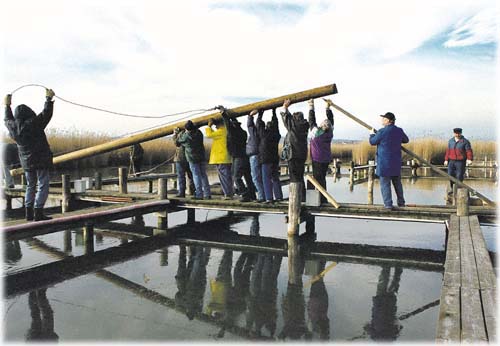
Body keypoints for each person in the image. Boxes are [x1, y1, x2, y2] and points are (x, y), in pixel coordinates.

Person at [4, 89, 55, 221]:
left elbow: (7, 119)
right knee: (43, 183)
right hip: (41, 159)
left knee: (30, 185)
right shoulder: (34, 124)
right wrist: (48, 99)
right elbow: (46, 114)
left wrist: (7, 106)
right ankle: (38, 212)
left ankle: (28, 213)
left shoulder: (13, 127)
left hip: (26, 162)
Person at [369, 112, 409, 210]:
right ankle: (401, 203)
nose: (382, 120)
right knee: (397, 184)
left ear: (388, 120)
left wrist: (371, 134)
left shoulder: (382, 132)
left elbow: (372, 142)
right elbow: (406, 140)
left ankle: (388, 205)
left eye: (383, 119)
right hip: (395, 162)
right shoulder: (399, 130)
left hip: (384, 163)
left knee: (385, 184)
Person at [217, 106, 256, 202]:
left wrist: (223, 113)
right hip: (245, 156)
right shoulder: (243, 132)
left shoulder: (233, 132)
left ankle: (244, 194)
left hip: (238, 157)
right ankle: (252, 194)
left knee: (236, 177)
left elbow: (227, 123)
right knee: (248, 176)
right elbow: (230, 123)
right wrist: (230, 116)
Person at [281, 99, 309, 201]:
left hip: (293, 155)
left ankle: (296, 197)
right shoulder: (305, 125)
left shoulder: (294, 126)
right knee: (300, 176)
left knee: (294, 177)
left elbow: (286, 119)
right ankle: (302, 196)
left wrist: (285, 107)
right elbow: (289, 120)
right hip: (301, 155)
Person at [176, 120, 211, 200]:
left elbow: (177, 142)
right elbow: (196, 129)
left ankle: (199, 195)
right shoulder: (199, 133)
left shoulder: (186, 137)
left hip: (192, 159)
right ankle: (207, 194)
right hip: (201, 157)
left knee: (196, 176)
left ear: (186, 129)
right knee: (203, 175)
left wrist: (177, 133)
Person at [308, 99, 334, 203]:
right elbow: (331, 120)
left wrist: (311, 106)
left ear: (322, 126)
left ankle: (320, 199)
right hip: (326, 159)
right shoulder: (330, 133)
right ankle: (323, 198)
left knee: (317, 179)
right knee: (322, 178)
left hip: (317, 159)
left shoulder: (316, 132)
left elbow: (311, 120)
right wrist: (328, 108)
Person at [256, 108, 283, 203]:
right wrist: (274, 112)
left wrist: (260, 114)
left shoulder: (264, 134)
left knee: (266, 179)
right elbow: (276, 124)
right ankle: (279, 197)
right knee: (275, 178)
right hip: (274, 159)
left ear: (267, 127)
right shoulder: (276, 135)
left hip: (266, 160)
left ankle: (269, 198)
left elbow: (258, 125)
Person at [205, 117, 234, 199]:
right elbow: (214, 134)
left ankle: (228, 194)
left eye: (216, 124)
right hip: (224, 158)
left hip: (221, 158)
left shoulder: (221, 131)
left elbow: (209, 135)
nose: (215, 126)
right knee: (226, 176)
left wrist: (209, 126)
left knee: (224, 177)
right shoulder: (224, 131)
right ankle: (229, 193)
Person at [246, 110, 265, 202]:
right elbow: (257, 124)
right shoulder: (262, 133)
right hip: (258, 155)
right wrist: (260, 114)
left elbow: (250, 126)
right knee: (259, 177)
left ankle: (261, 197)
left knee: (255, 177)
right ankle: (263, 195)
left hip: (254, 155)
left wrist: (250, 116)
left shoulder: (254, 134)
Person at [172, 128, 195, 197]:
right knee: (191, 176)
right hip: (189, 158)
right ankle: (192, 191)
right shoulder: (192, 134)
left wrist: (175, 134)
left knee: (181, 176)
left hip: (180, 158)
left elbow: (176, 143)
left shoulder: (182, 135)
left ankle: (182, 192)